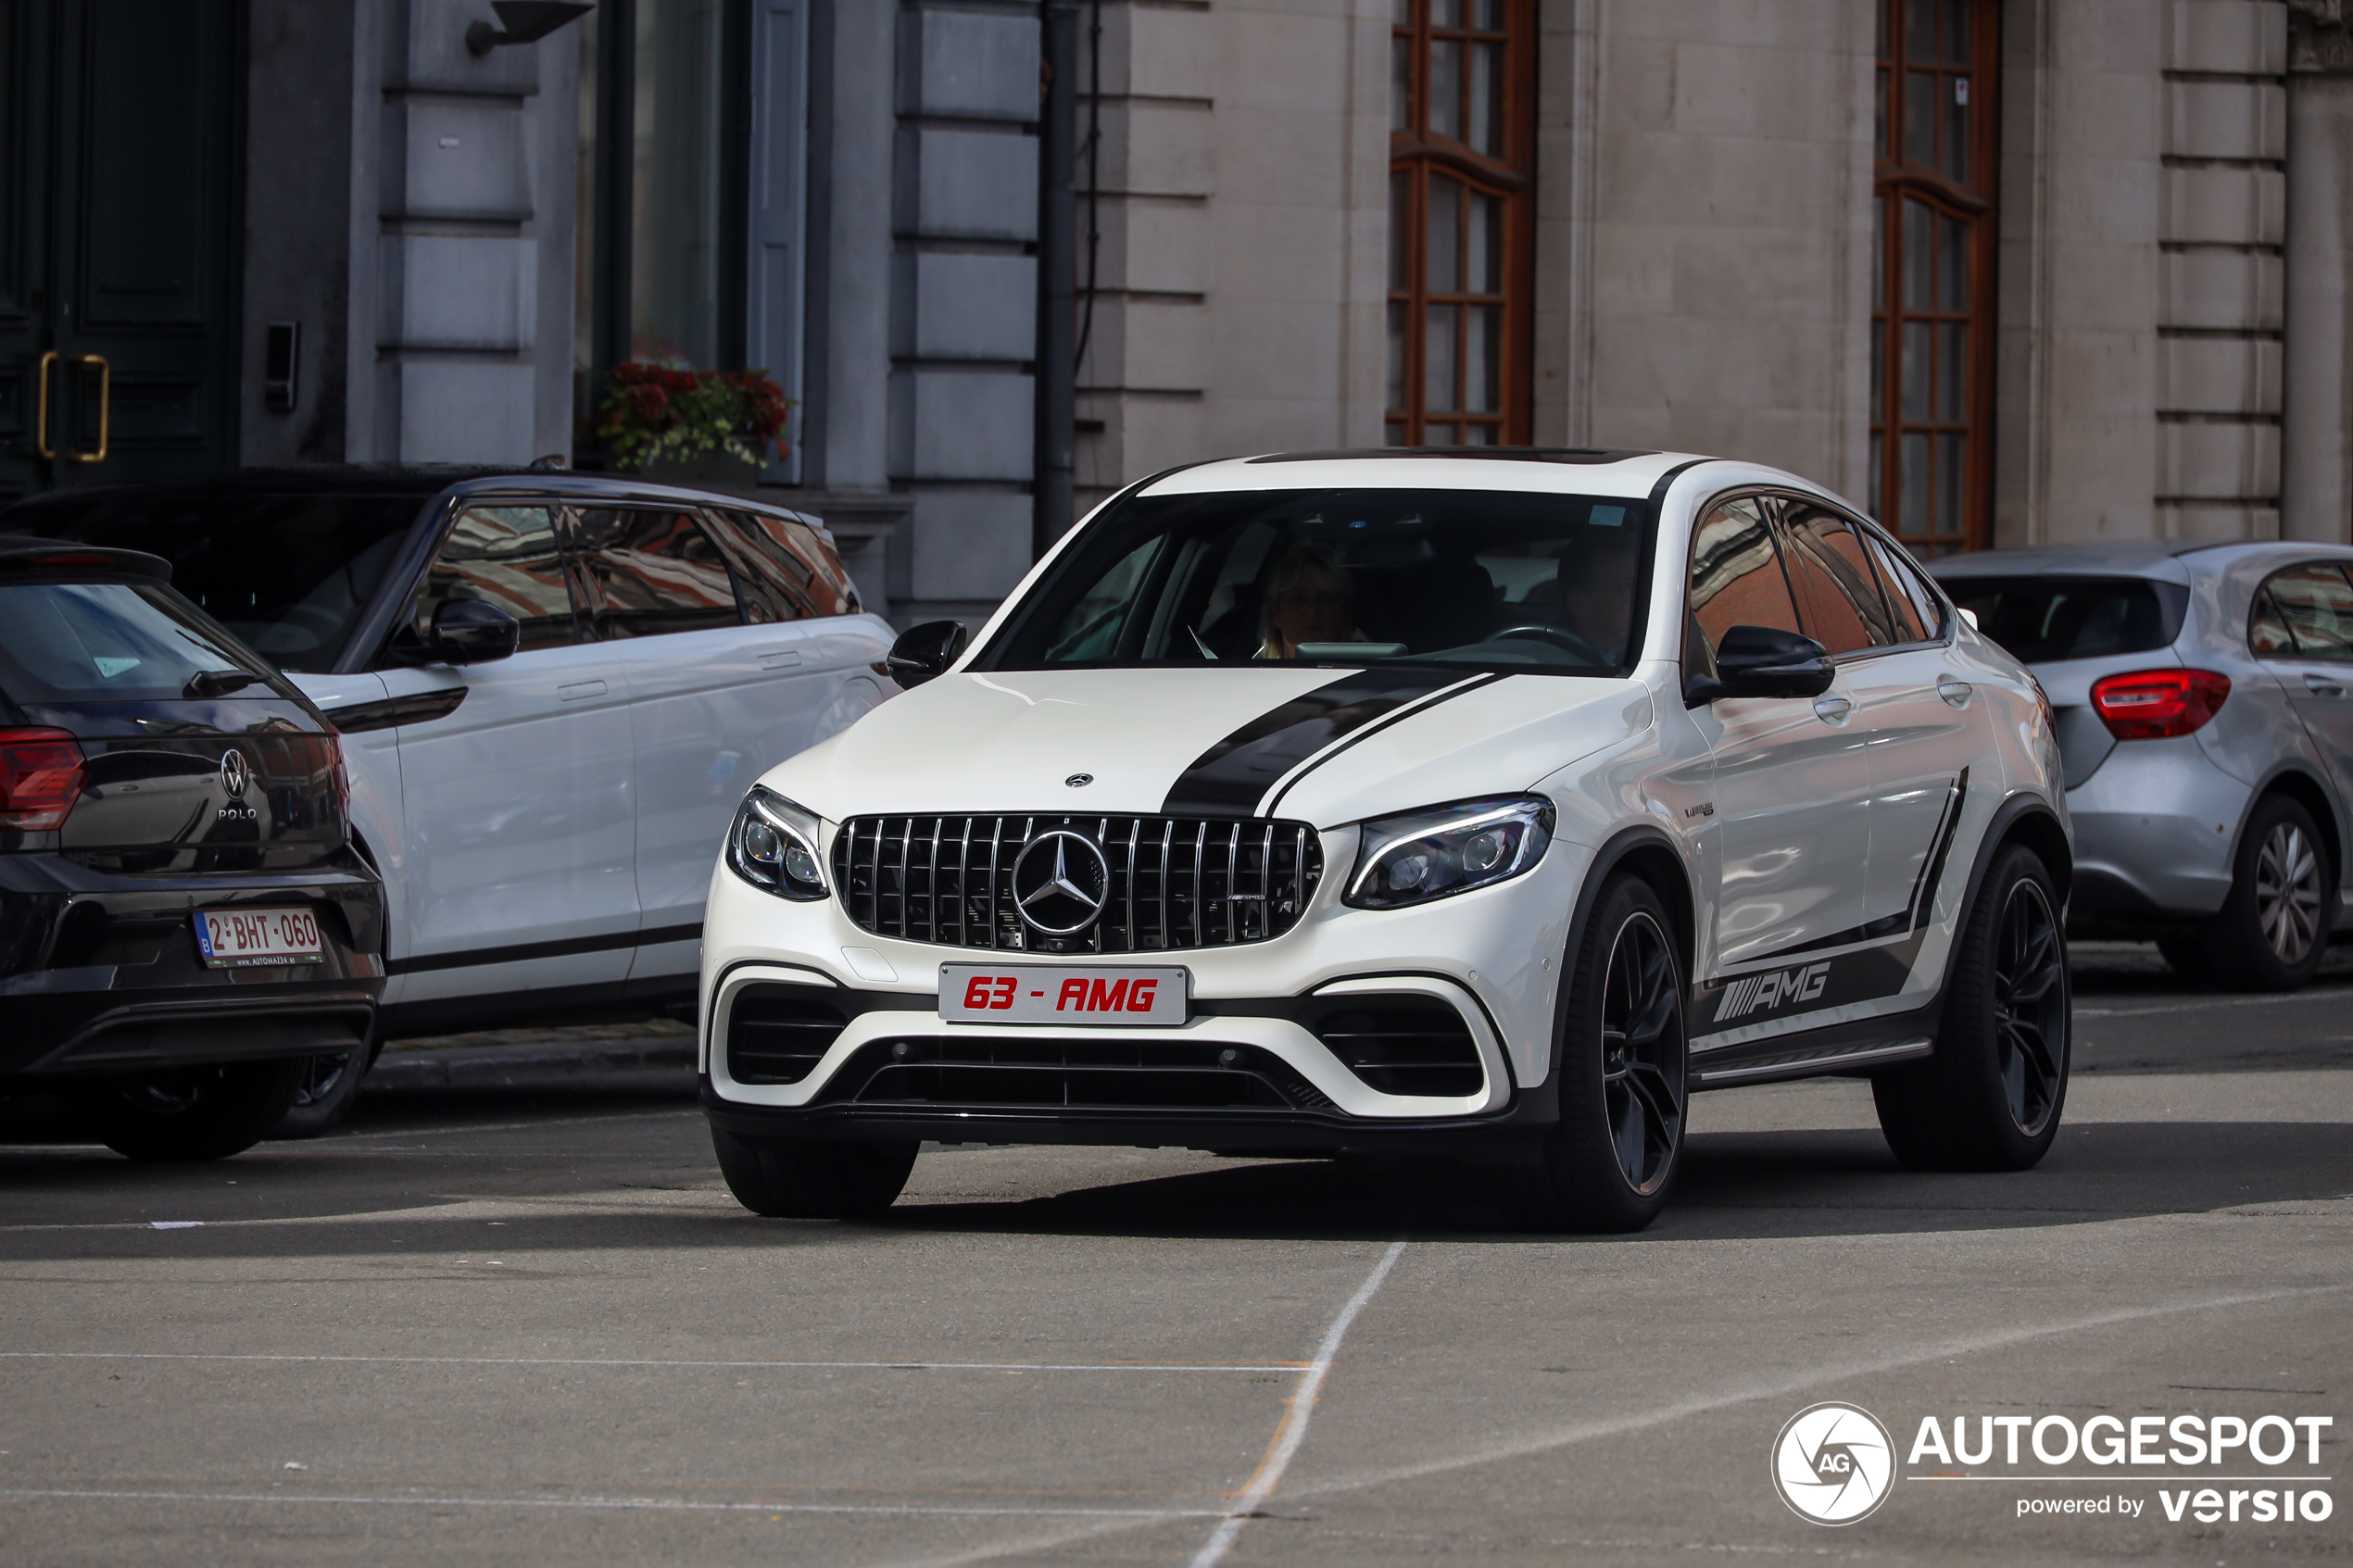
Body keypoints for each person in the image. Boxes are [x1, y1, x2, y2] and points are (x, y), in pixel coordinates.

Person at [1254, 540, 1367, 659]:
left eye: (1326, 600)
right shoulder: (1249, 675)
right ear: (1275, 613)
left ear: (1343, 615)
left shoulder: (1369, 675)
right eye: (1298, 599)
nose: (1313, 611)